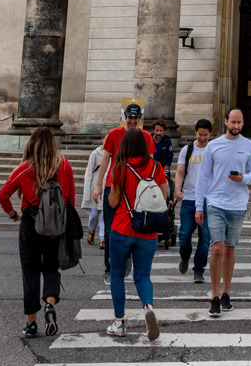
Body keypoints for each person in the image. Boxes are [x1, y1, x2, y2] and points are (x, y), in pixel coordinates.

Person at [0, 127, 76, 339]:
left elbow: (3, 195)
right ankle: (50, 305)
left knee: (30, 272)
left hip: (31, 223)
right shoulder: (64, 165)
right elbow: (70, 199)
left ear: (32, 144)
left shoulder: (24, 168)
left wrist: (13, 215)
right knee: (51, 268)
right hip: (56, 225)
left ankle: (31, 324)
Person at [195, 108, 251, 317]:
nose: (236, 126)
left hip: (238, 204)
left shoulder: (248, 145)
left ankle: (226, 293)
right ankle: (214, 296)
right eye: (233, 122)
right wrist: (198, 206)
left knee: (230, 250)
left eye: (239, 123)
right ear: (225, 122)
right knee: (217, 250)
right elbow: (203, 177)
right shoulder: (213, 146)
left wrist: (244, 178)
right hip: (216, 203)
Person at [106, 127, 165, 341]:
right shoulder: (156, 166)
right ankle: (148, 307)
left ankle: (119, 323)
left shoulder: (120, 168)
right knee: (142, 276)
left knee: (117, 274)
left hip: (122, 227)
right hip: (148, 230)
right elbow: (163, 196)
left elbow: (112, 201)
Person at [93, 103, 155, 270]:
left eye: (135, 118)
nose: (132, 121)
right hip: (113, 186)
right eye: (130, 118)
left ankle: (125, 259)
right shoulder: (114, 134)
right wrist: (98, 185)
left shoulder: (146, 136)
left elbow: (151, 162)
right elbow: (105, 160)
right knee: (109, 229)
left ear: (140, 119)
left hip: (135, 189)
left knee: (133, 228)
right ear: (124, 117)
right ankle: (109, 266)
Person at [175, 118, 213, 283]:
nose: (202, 138)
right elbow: (180, 172)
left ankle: (199, 270)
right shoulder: (187, 149)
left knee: (205, 237)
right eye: (200, 135)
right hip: (189, 198)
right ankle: (184, 256)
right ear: (195, 133)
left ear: (210, 134)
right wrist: (177, 189)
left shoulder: (213, 150)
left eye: (205, 135)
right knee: (184, 234)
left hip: (208, 199)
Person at [151, 120, 176, 250]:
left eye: (161, 131)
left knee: (166, 187)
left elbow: (170, 156)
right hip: (151, 171)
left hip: (163, 171)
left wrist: (165, 167)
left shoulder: (167, 141)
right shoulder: (149, 139)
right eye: (157, 131)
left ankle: (168, 202)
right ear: (153, 130)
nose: (159, 133)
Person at [81, 146, 105, 246]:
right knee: (94, 215)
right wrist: (87, 190)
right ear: (102, 139)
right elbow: (89, 172)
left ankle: (102, 238)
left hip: (106, 187)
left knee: (104, 216)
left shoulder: (114, 153)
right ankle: (92, 229)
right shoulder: (95, 153)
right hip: (95, 187)